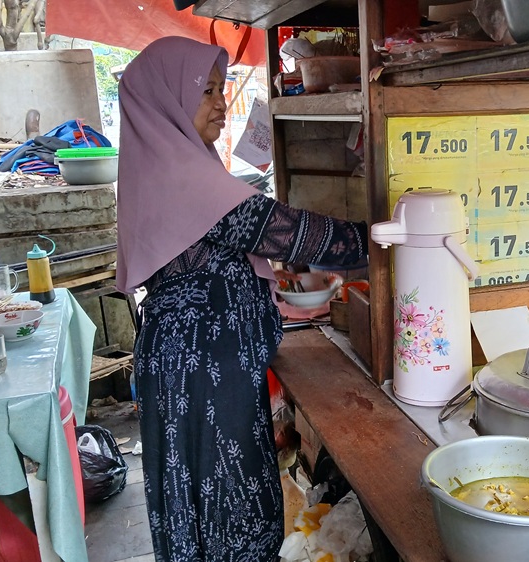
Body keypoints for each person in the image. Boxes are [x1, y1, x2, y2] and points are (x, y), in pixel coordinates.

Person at [115, 36, 368, 561]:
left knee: (209, 503)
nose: (220, 103)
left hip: (199, 369)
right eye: (205, 91)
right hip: (202, 376)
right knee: (228, 503)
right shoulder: (180, 176)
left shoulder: (171, 167)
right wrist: (381, 236)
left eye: (220, 89)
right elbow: (281, 231)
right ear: (169, 101)